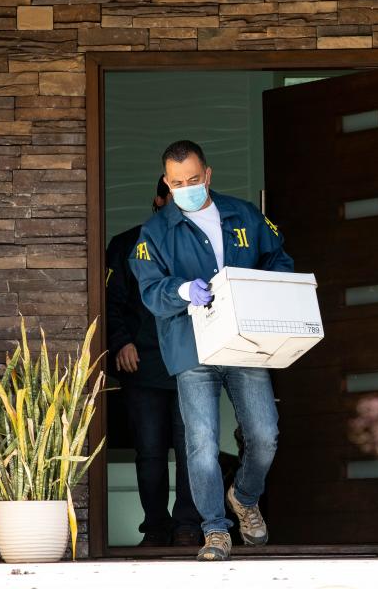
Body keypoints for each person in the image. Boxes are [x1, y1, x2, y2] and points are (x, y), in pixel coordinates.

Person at [129, 140, 293, 562]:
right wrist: (184, 290)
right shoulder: (155, 233)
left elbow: (279, 258)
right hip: (192, 348)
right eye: (177, 182)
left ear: (209, 175)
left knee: (265, 434)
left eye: (194, 180)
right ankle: (215, 531)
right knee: (200, 442)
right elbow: (149, 290)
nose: (187, 188)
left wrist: (267, 288)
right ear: (167, 182)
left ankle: (244, 495)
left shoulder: (244, 215)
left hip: (245, 343)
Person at [105, 177, 201, 547]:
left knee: (194, 449)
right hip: (141, 363)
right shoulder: (127, 244)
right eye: (172, 197)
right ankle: (157, 528)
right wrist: (121, 342)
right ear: (157, 200)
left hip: (192, 364)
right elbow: (110, 302)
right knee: (149, 452)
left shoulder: (198, 245)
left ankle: (188, 526)